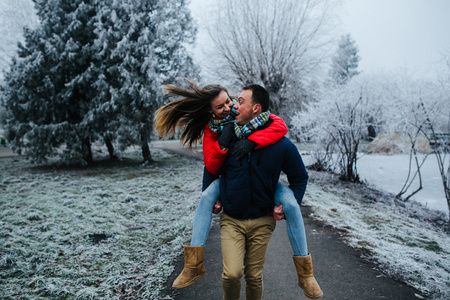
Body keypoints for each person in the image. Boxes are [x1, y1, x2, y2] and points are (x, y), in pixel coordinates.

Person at [154, 79, 287, 288]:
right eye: (220, 107)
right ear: (210, 111)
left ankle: (305, 272)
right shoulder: (212, 129)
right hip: (225, 181)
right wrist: (223, 141)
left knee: (291, 204)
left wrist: (253, 140)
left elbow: (278, 125)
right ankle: (193, 265)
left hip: (260, 183)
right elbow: (211, 166)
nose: (227, 108)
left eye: (228, 101)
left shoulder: (245, 114)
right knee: (206, 197)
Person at [203, 84, 323, 299]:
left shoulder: (280, 144)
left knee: (254, 276)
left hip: (262, 221)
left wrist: (288, 206)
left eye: (240, 102)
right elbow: (211, 168)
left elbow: (299, 177)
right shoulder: (228, 137)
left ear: (256, 108)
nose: (234, 107)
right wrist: (211, 197)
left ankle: (306, 275)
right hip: (232, 220)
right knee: (232, 274)